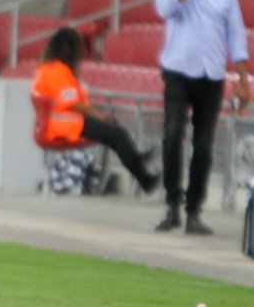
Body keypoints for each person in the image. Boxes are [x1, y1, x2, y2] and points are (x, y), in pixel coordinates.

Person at [154, 0, 251, 235]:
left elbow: (235, 33)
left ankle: (194, 209)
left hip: (211, 75)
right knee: (173, 134)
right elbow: (166, 9)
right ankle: (172, 202)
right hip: (178, 71)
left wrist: (243, 79)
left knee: (204, 143)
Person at [31, 27, 159, 193]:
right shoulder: (57, 70)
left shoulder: (47, 68)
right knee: (116, 134)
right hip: (64, 126)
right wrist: (99, 115)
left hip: (65, 123)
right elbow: (72, 103)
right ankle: (141, 171)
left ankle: (141, 169)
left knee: (114, 131)